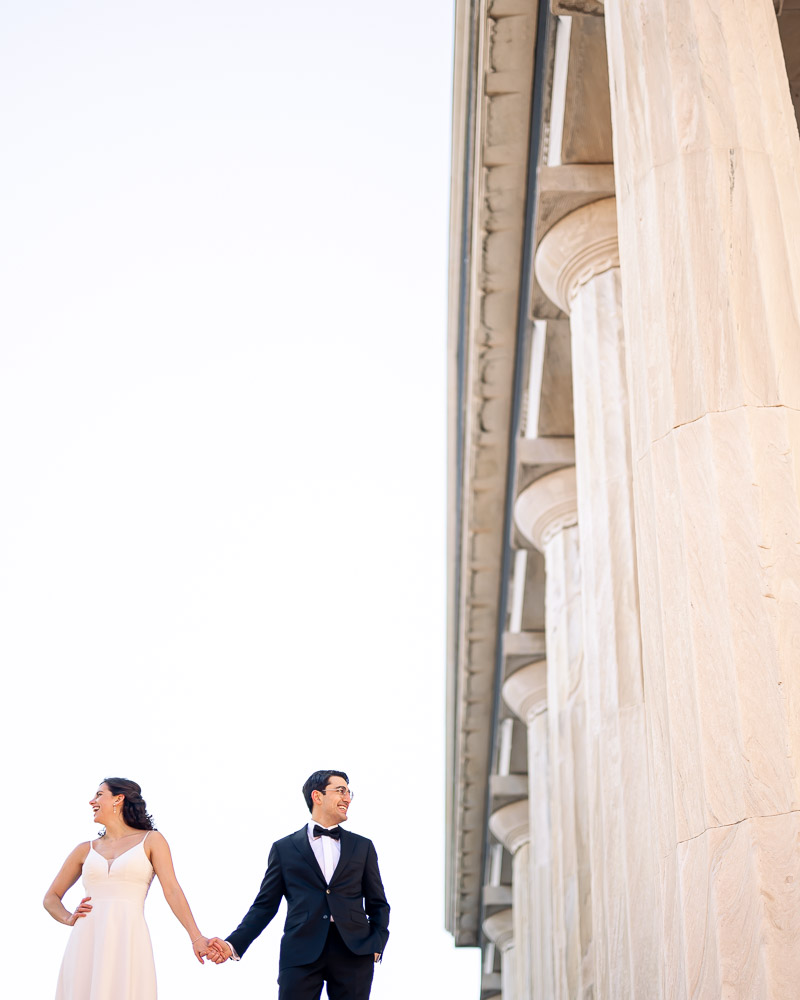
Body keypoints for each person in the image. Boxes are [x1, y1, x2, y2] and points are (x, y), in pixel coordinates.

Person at [207, 769, 389, 1000]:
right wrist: (233, 944)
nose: (347, 799)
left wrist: (376, 944)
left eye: (349, 793)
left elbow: (378, 903)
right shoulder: (284, 849)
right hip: (300, 950)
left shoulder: (363, 847)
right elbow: (264, 906)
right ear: (317, 796)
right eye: (341, 791)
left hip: (354, 950)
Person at [44, 777, 209, 999]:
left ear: (118, 799)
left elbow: (172, 890)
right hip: (86, 940)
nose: (92, 801)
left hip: (128, 937)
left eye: (99, 795)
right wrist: (68, 918)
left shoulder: (152, 840)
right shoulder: (84, 850)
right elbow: (51, 898)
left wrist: (196, 937)